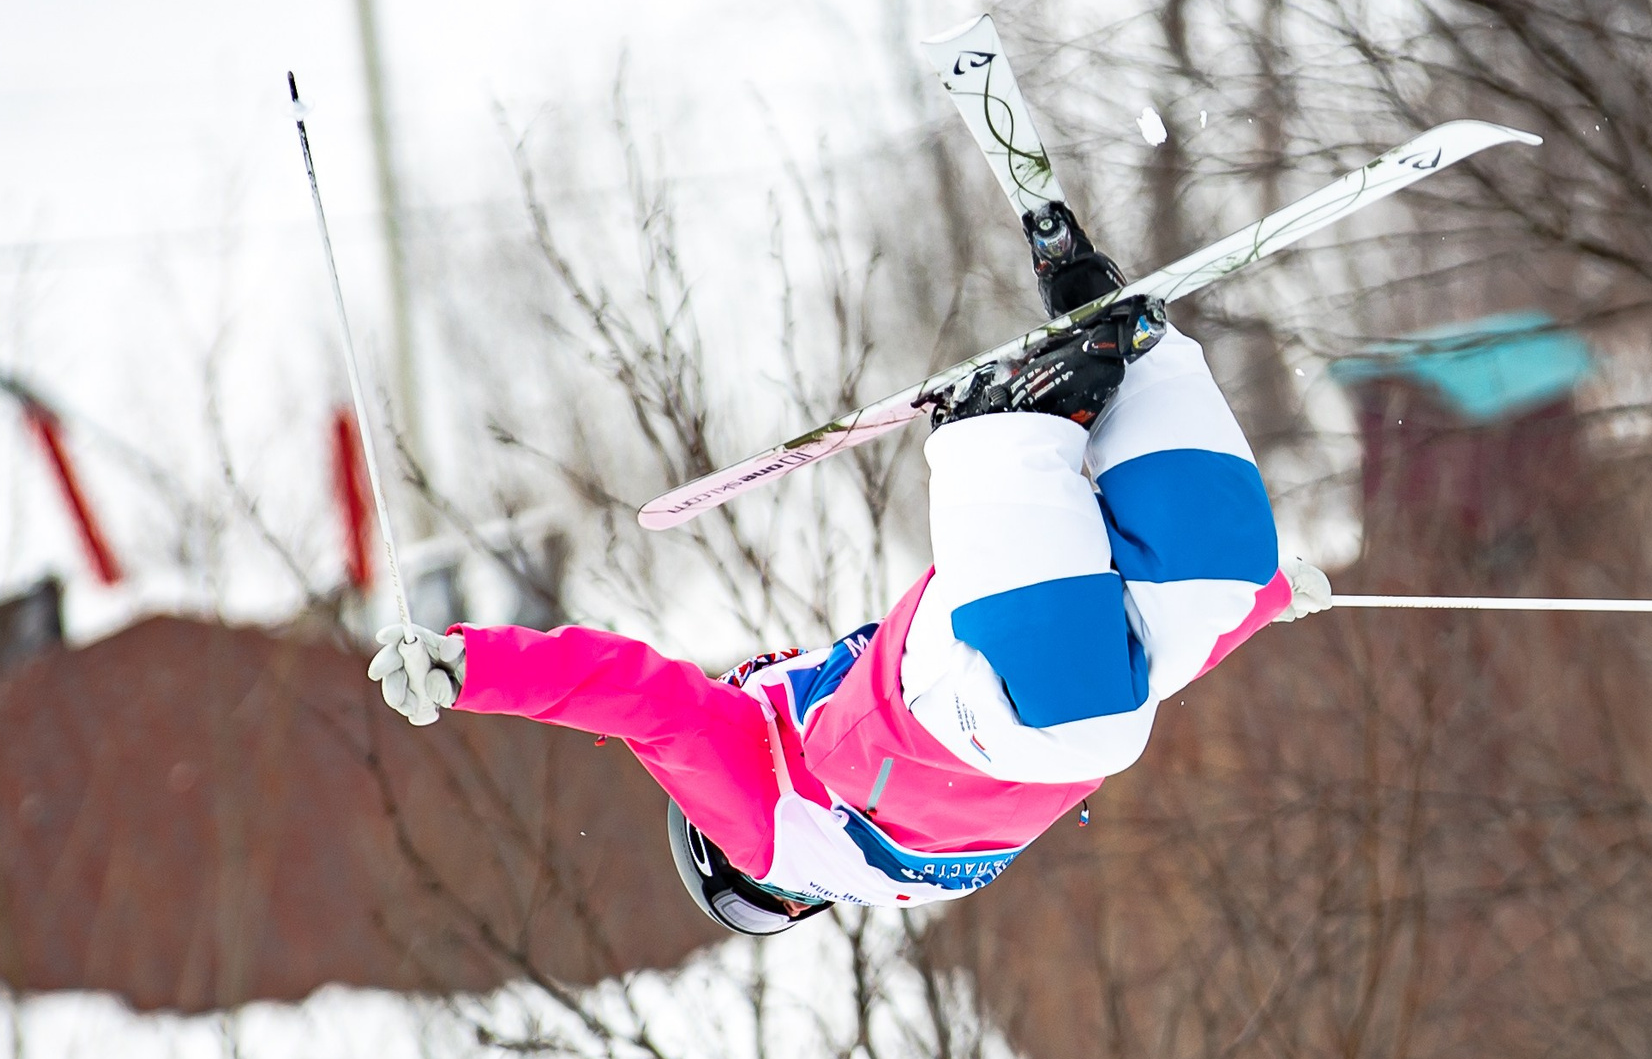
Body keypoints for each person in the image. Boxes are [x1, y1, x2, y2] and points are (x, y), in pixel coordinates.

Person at [366, 206, 1330, 935]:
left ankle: (1020, 426)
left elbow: (644, 701)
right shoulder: (826, 854)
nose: (783, 900)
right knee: (1211, 583)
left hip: (993, 701)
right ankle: (1109, 373)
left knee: (1121, 668)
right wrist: (1267, 601)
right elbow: (647, 704)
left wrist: (473, 667)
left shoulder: (798, 834)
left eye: (761, 908)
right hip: (1002, 691)